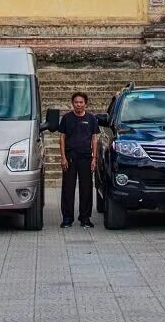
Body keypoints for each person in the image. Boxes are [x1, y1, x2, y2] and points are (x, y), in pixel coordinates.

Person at [57, 92, 99, 228]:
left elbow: (94, 138)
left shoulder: (91, 118)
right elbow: (62, 138)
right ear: (72, 103)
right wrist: (63, 157)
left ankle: (85, 218)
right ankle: (67, 218)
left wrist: (94, 158)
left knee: (86, 188)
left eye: (81, 102)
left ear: (85, 103)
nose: (79, 104)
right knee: (68, 188)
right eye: (76, 102)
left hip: (86, 158)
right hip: (70, 158)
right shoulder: (66, 118)